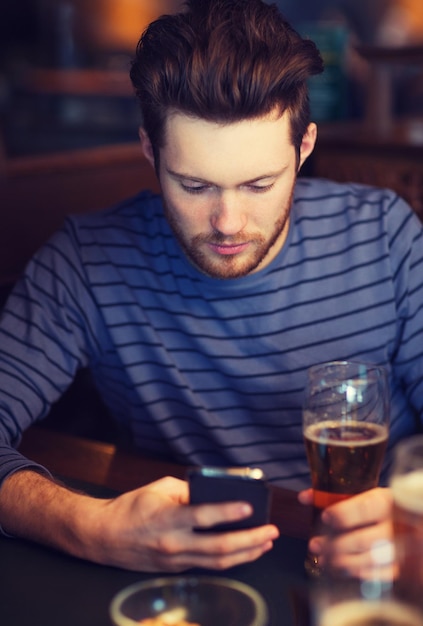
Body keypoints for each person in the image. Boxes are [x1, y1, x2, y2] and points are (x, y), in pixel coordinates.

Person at [0, 0, 422, 575]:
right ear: (150, 149)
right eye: (194, 185)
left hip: (381, 572)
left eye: (259, 184)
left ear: (304, 149)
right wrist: (88, 527)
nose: (227, 222)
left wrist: (410, 515)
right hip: (186, 577)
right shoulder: (87, 261)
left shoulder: (386, 235)